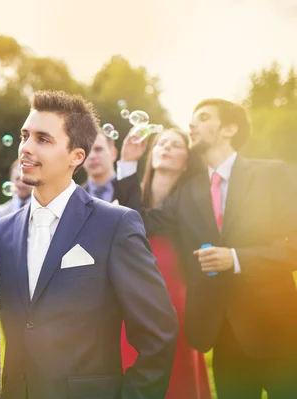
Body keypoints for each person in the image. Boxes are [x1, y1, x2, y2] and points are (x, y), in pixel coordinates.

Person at [0, 90, 177, 398]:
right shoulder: (0, 231)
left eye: (43, 139)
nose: (25, 148)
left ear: (77, 156)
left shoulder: (116, 225)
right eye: (25, 136)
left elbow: (159, 334)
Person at [119, 99, 297, 398]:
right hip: (222, 334)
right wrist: (127, 164)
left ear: (229, 129)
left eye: (203, 118)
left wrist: (237, 259)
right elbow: (142, 221)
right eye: (192, 119)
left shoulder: (272, 174)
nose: (192, 125)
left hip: (278, 330)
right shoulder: (189, 192)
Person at [119, 129, 212, 399]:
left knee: (175, 377)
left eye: (176, 145)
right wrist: (127, 161)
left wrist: (126, 166)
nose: (167, 147)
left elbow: (141, 222)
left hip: (175, 303)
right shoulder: (134, 197)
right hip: (131, 301)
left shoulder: (190, 198)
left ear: (187, 160)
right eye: (161, 143)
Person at [81, 129, 142, 209]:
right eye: (87, 151)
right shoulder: (73, 197)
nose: (92, 156)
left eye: (98, 149)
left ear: (113, 153)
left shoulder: (132, 191)